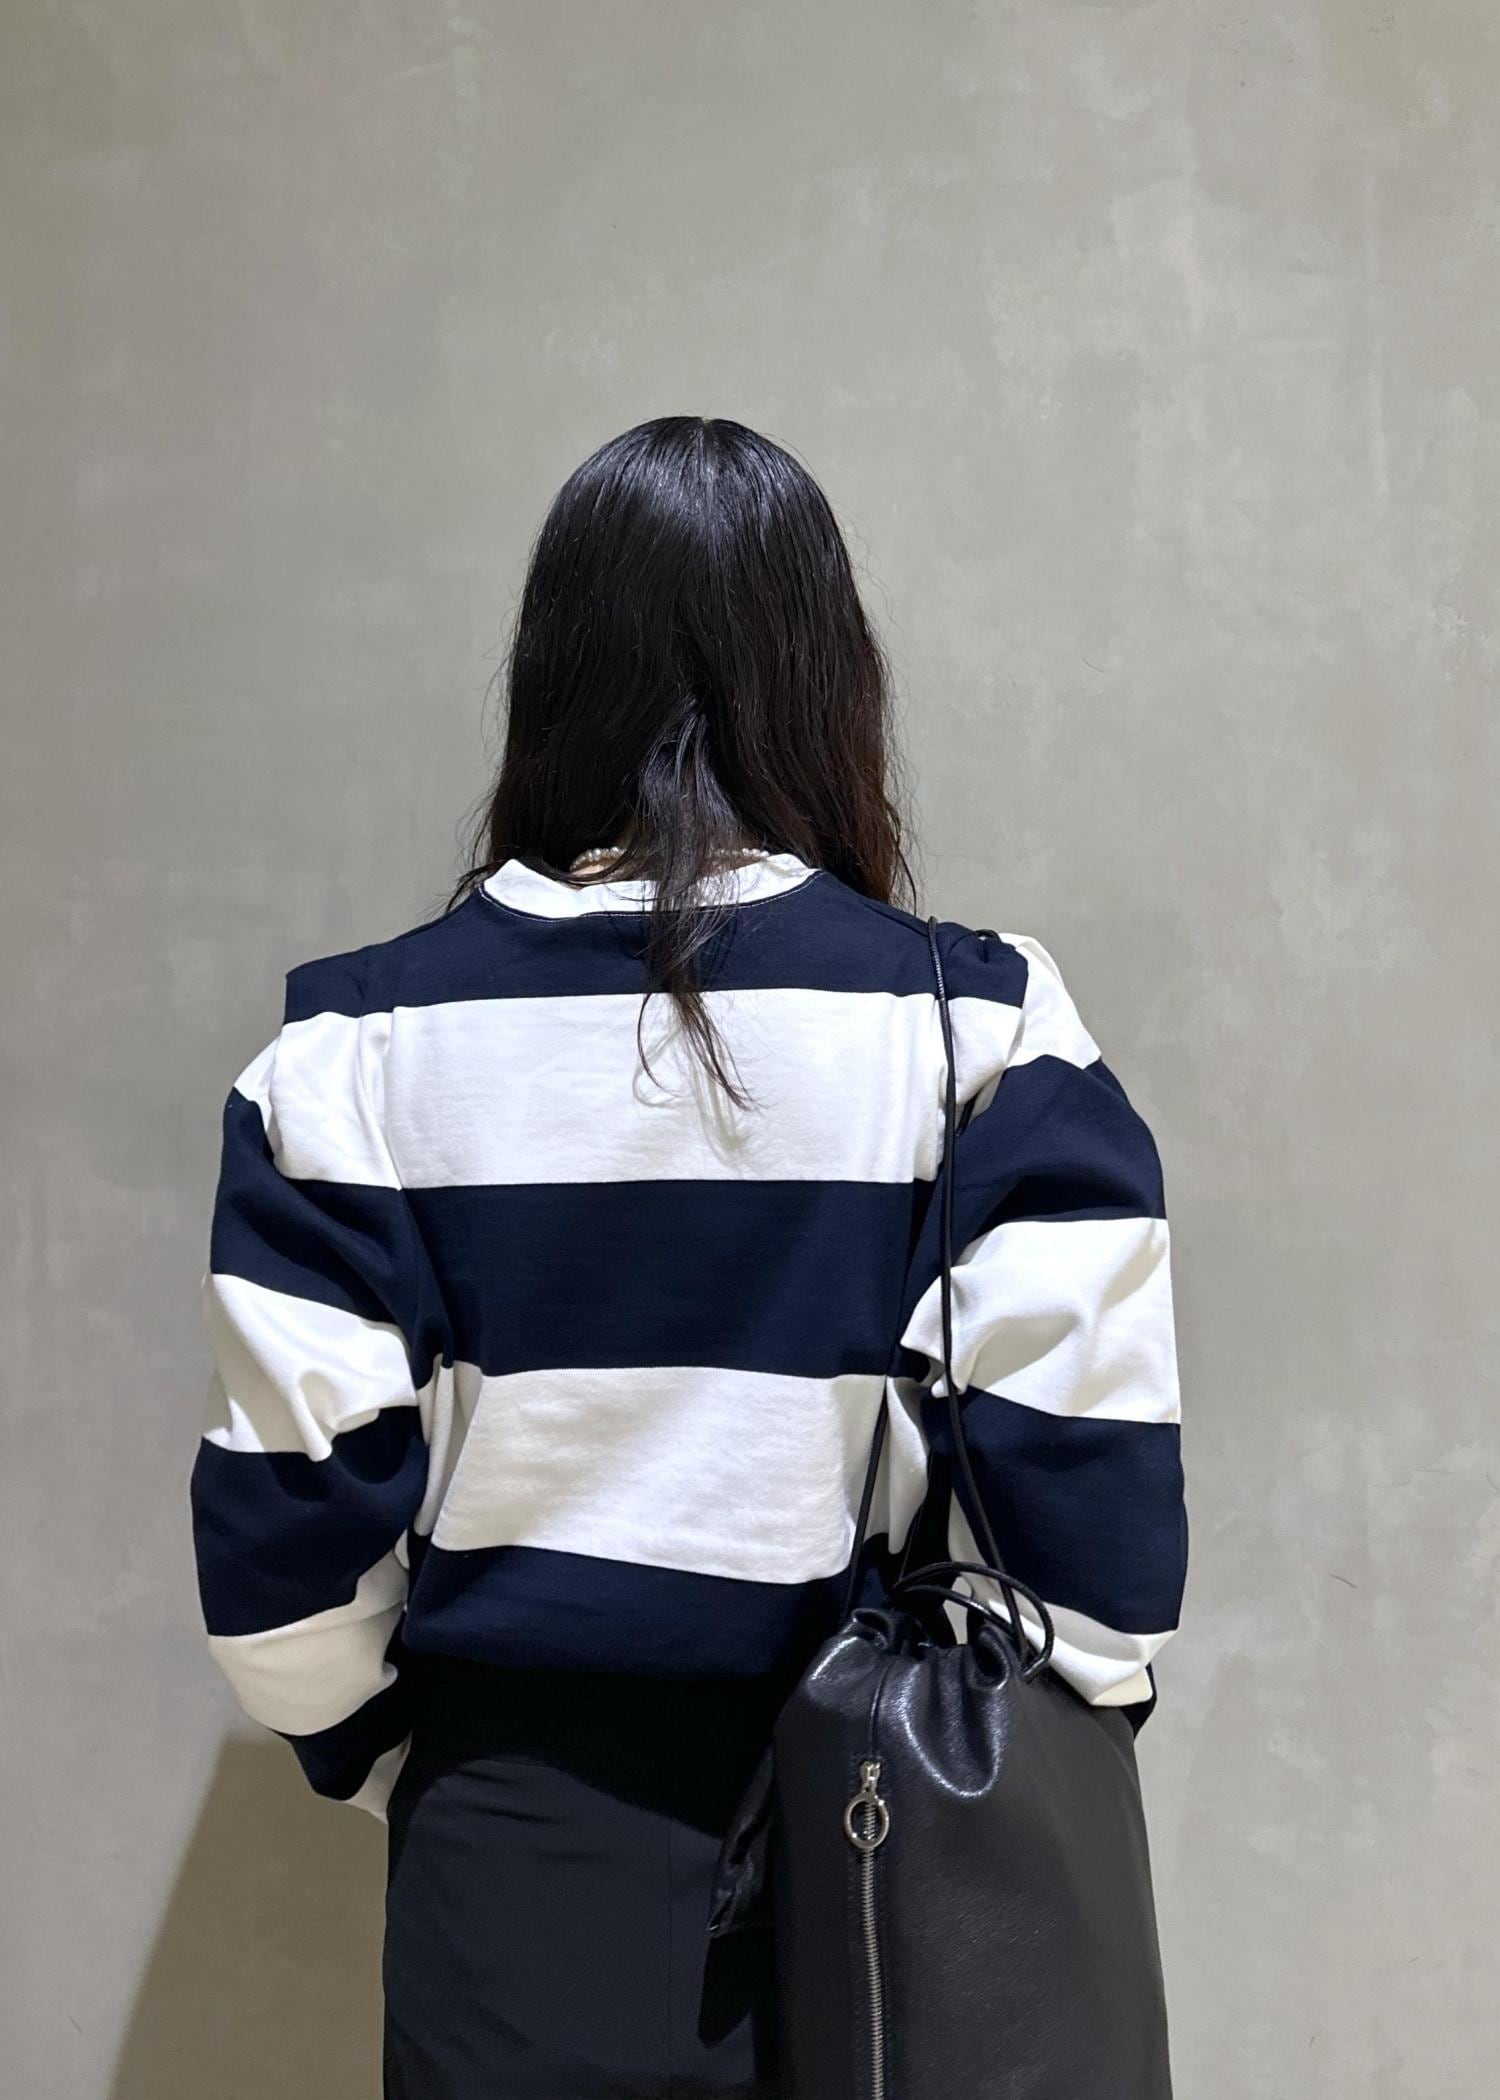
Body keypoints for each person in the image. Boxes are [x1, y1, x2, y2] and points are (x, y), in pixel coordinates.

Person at [188, 415, 1188, 2099]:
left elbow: (285, 1557)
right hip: (887, 1848)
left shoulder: (350, 1051)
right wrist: (1013, 1758)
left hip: (510, 1859)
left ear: (552, 674)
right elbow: (1093, 1540)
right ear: (830, 676)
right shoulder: (979, 1025)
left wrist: (428, 1764)